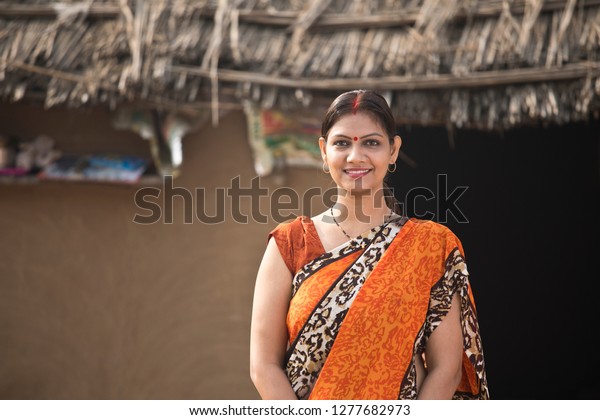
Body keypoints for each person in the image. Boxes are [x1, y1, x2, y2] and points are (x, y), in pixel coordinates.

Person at [250, 90, 489, 400]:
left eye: (371, 142)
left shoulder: (431, 247)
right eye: (342, 143)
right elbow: (263, 366)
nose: (355, 156)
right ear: (324, 151)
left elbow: (447, 368)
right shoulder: (290, 243)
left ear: (393, 150)